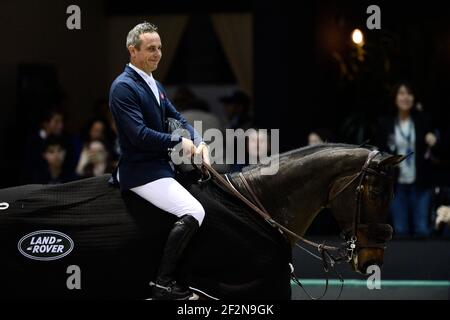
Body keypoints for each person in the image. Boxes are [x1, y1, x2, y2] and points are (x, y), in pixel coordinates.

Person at [109, 22, 210, 300]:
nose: (158, 54)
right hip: (141, 171)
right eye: (151, 49)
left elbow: (178, 117)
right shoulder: (123, 87)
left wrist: (198, 141)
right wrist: (179, 141)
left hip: (160, 166)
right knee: (194, 210)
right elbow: (139, 135)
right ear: (133, 50)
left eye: (160, 48)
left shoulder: (154, 82)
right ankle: (163, 284)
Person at [375, 82, 438, 237]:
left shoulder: (423, 120)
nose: (406, 97)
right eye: (402, 93)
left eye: (409, 94)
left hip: (420, 184)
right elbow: (380, 150)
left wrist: (433, 138)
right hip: (396, 186)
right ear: (395, 98)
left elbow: (436, 143)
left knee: (422, 231)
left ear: (414, 98)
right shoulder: (385, 123)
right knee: (401, 231)